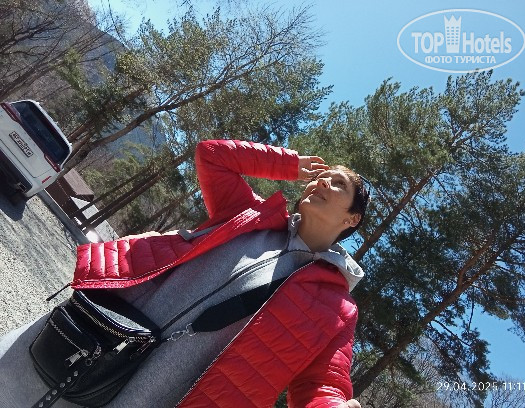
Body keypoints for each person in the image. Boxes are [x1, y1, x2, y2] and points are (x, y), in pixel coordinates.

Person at [0, 139, 369, 407]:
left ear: (352, 219)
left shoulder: (336, 308)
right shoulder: (248, 214)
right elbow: (212, 155)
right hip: (90, 332)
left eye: (338, 183)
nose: (323, 181)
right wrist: (286, 164)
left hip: (158, 395)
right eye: (323, 176)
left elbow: (322, 385)